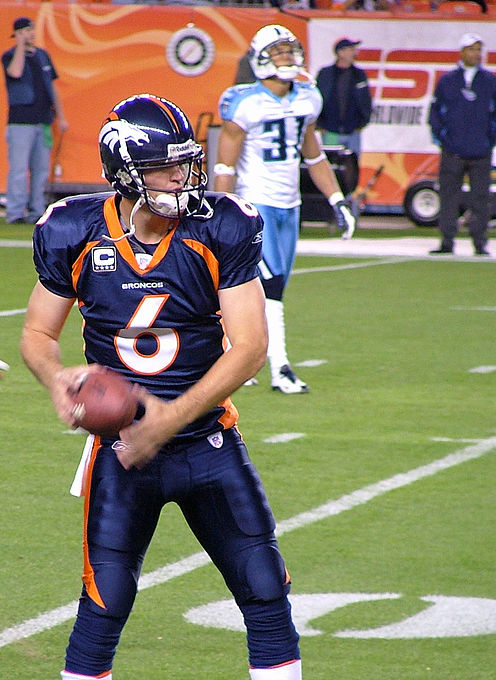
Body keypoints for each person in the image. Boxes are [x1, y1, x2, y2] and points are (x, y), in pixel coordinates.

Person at [20, 93, 302, 680]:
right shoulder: (74, 229)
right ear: (126, 171)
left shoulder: (220, 225)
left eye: (186, 161)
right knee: (104, 604)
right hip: (121, 454)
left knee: (264, 591)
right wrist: (55, 379)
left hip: (206, 444)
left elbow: (249, 347)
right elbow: (37, 333)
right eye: (167, 166)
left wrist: (168, 421)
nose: (183, 176)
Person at [215, 24, 355, 395]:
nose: (288, 58)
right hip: (255, 202)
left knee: (270, 287)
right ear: (261, 58)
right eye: (278, 52)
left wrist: (337, 199)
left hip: (289, 205)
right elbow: (225, 166)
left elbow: (314, 155)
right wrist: (221, 210)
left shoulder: (307, 97)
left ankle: (233, 353)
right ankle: (281, 369)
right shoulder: (244, 102)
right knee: (271, 286)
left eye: (290, 51)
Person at [427, 32, 496, 255]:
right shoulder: (448, 80)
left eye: (479, 50)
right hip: (453, 150)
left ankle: (479, 243)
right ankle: (447, 241)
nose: (476, 54)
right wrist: (442, 137)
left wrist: (492, 138)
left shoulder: (489, 81)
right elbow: (435, 111)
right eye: (472, 49)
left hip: (480, 151)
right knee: (449, 197)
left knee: (481, 198)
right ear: (462, 52)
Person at [1, 17, 68, 224]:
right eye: (26, 31)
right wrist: (20, 45)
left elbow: (52, 86)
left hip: (43, 121)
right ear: (18, 33)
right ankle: (15, 212)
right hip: (20, 123)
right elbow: (15, 72)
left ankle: (37, 211)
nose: (31, 34)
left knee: (41, 170)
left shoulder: (42, 56)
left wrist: (62, 116)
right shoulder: (10, 56)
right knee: (19, 169)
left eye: (31, 30)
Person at [315, 37, 372, 162]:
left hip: (353, 131)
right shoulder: (326, 74)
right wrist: (320, 124)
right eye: (350, 49)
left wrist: (362, 122)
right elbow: (316, 98)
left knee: (351, 169)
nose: (354, 53)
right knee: (330, 167)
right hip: (330, 130)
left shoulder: (359, 75)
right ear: (340, 53)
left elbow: (366, 101)